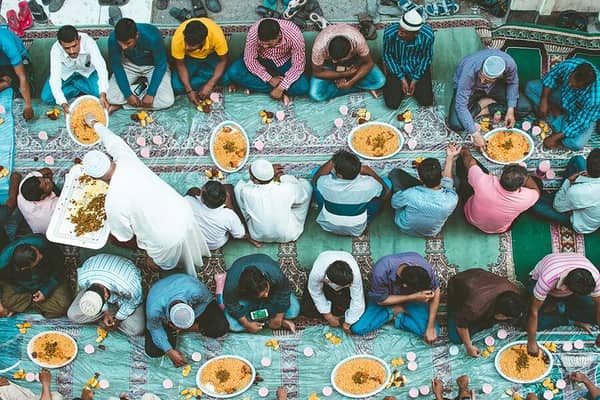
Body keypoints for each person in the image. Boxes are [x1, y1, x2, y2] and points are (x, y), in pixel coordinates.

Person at [82, 113, 210, 275]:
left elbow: (124, 236)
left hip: (165, 237)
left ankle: (169, 266)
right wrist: (94, 123)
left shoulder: (112, 202)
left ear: (95, 178)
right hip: (182, 210)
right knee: (182, 238)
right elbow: (112, 141)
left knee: (159, 260)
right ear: (109, 158)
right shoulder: (125, 158)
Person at [351, 252, 441, 344]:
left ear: (415, 265)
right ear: (404, 285)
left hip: (412, 301)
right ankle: (392, 311)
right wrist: (413, 296)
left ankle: (399, 317)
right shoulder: (380, 271)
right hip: (385, 301)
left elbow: (436, 291)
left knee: (433, 333)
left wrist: (430, 326)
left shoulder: (424, 268)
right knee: (358, 328)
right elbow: (380, 301)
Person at [449, 49, 532, 148]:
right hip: (472, 89)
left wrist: (510, 110)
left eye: (487, 79)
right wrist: (475, 134)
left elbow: (512, 83)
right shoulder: (469, 70)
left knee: (524, 107)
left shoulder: (509, 64)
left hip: (495, 87)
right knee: (456, 124)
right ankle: (482, 104)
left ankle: (488, 108)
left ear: (500, 76)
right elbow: (460, 106)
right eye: (481, 76)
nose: (482, 80)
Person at [145, 273, 228, 366]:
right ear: (169, 320)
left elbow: (206, 300)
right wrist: (169, 351)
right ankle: (178, 330)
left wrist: (188, 326)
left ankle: (186, 327)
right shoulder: (154, 310)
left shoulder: (196, 291)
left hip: (186, 289)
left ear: (189, 305)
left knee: (220, 327)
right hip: (159, 293)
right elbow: (155, 328)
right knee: (154, 351)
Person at [526, 252, 600, 356]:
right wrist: (531, 342)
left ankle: (560, 308)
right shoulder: (548, 278)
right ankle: (567, 318)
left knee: (593, 314)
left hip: (571, 293)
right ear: (565, 285)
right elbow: (534, 311)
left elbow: (599, 304)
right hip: (540, 284)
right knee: (529, 321)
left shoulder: (594, 278)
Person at [223, 18, 308, 104]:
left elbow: (297, 66)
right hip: (260, 60)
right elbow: (250, 60)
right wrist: (270, 79)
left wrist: (281, 87)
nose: (264, 47)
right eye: (262, 43)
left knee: (302, 87)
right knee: (234, 72)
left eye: (269, 44)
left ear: (279, 35)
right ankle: (278, 92)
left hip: (284, 62)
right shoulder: (254, 32)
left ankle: (267, 88)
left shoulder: (295, 36)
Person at [457, 146, 540, 234]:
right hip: (499, 230)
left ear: (501, 174)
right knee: (538, 183)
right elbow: (536, 190)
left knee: (462, 163)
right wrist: (525, 175)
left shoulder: (482, 181)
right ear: (521, 186)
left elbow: (470, 162)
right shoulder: (526, 198)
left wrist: (466, 153)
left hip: (471, 218)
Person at [447, 269, 525, 357]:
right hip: (457, 289)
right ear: (500, 315)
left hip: (478, 279)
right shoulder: (474, 308)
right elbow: (461, 324)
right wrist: (469, 346)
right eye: (506, 318)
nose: (506, 320)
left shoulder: (514, 292)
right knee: (456, 338)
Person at [525, 58, 599, 150]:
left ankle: (557, 117)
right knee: (530, 87)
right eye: (570, 81)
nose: (571, 86)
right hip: (562, 95)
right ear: (573, 72)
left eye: (576, 87)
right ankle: (555, 113)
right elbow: (551, 78)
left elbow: (581, 122)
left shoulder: (595, 97)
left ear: (585, 86)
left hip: (581, 114)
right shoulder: (569, 65)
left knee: (576, 144)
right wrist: (544, 100)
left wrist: (555, 137)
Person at [312, 150, 391, 236]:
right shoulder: (370, 184)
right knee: (387, 184)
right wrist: (370, 172)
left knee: (315, 172)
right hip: (356, 229)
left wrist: (332, 161)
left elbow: (315, 178)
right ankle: (368, 220)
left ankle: (320, 206)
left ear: (339, 175)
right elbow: (386, 193)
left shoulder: (325, 183)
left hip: (328, 226)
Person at [388, 143, 460, 237]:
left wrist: (403, 195)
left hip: (405, 227)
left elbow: (395, 204)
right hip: (431, 233)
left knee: (395, 173)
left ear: (420, 179)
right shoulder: (452, 199)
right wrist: (450, 157)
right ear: (441, 176)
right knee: (456, 180)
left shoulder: (411, 193)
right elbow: (448, 182)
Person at [234, 159, 312, 243]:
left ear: (255, 180)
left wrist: (265, 173)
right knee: (306, 186)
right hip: (289, 235)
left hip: (258, 235)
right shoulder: (287, 188)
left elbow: (248, 184)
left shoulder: (246, 191)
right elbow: (302, 197)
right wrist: (281, 176)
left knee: (238, 188)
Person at [67, 254, 145, 336]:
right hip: (102, 293)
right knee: (73, 315)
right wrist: (106, 311)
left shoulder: (128, 283)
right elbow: (89, 292)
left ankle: (111, 317)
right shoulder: (83, 278)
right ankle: (109, 315)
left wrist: (118, 318)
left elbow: (134, 301)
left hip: (128, 298)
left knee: (136, 329)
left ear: (106, 295)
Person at [107, 18, 174, 112]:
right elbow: (117, 66)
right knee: (110, 97)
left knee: (167, 100)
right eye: (120, 43)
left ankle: (123, 105)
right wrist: (128, 94)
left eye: (128, 43)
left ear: (137, 35)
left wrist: (151, 93)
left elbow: (160, 65)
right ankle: (140, 89)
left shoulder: (152, 36)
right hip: (130, 64)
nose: (123, 47)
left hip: (153, 66)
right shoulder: (113, 38)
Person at [223, 254, 300, 333]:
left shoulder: (274, 274)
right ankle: (270, 320)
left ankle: (265, 320)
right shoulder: (232, 284)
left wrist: (278, 317)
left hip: (273, 295)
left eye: (266, 290)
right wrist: (246, 324)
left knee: (294, 310)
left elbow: (284, 292)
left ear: (266, 280)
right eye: (262, 294)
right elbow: (231, 304)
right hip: (248, 300)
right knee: (232, 324)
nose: (266, 295)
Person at [41, 25, 110, 113]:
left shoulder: (89, 42)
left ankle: (77, 86)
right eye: (67, 48)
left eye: (74, 46)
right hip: (66, 74)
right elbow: (55, 78)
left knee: (99, 94)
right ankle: (79, 88)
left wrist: (103, 94)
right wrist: (63, 103)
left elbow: (101, 68)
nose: (72, 51)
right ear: (60, 44)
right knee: (47, 97)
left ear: (79, 39)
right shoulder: (55, 49)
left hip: (87, 72)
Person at [308, 23, 385, 102]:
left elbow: (369, 63)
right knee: (315, 95)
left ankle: (343, 85)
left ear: (351, 52)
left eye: (339, 60)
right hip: (329, 67)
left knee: (380, 81)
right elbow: (317, 72)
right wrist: (344, 74)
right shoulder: (319, 47)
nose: (335, 61)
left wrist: (351, 82)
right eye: (333, 58)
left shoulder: (358, 41)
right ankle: (361, 87)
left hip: (353, 64)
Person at [531, 149, 600, 234]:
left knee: (536, 206)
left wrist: (568, 181)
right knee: (577, 159)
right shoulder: (582, 189)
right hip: (586, 199)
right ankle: (560, 194)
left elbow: (558, 206)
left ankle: (558, 194)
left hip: (580, 222)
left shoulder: (579, 192)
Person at [0, 240, 71, 318]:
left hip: (48, 280)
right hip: (20, 286)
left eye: (38, 252)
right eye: (38, 260)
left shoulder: (41, 243)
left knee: (63, 306)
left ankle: (26, 304)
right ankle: (35, 303)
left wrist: (46, 290)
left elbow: (60, 268)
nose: (41, 256)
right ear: (24, 268)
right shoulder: (2, 263)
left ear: (31, 247)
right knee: (5, 304)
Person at [301, 250, 365, 333]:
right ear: (330, 281)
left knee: (349, 309)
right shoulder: (317, 273)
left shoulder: (354, 274)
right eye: (348, 285)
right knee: (307, 308)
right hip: (325, 284)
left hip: (342, 287)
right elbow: (315, 292)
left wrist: (348, 323)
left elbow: (357, 299)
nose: (351, 285)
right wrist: (328, 316)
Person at [383, 9, 434, 109]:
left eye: (404, 32)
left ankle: (413, 85)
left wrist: (415, 79)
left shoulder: (427, 35)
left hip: (417, 68)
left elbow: (426, 57)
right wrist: (402, 78)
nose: (399, 33)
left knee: (426, 101)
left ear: (415, 34)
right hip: (397, 68)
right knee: (392, 104)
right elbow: (387, 55)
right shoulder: (390, 33)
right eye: (399, 29)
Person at [171, 18, 228, 104]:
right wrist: (189, 91)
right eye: (186, 43)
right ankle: (205, 75)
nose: (186, 47)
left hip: (211, 55)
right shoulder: (178, 39)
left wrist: (210, 84)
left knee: (227, 78)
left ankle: (202, 78)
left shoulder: (217, 35)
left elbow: (223, 60)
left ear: (203, 41)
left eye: (191, 46)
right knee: (176, 86)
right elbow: (180, 65)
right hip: (190, 58)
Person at [185, 181, 249, 250]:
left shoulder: (188, 200)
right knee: (229, 187)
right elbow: (240, 234)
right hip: (214, 244)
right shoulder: (229, 215)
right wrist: (230, 205)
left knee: (194, 189)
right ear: (226, 198)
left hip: (194, 240)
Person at [0, 25, 33, 120]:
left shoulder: (7, 44)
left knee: (24, 87)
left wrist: (28, 106)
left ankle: (7, 82)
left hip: (16, 62)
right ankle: (5, 83)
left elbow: (22, 77)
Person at [17, 168, 58, 234]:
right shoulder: (52, 208)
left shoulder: (24, 185)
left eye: (44, 179)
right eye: (46, 184)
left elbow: (47, 170)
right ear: (43, 197)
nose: (48, 180)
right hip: (49, 232)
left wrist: (49, 181)